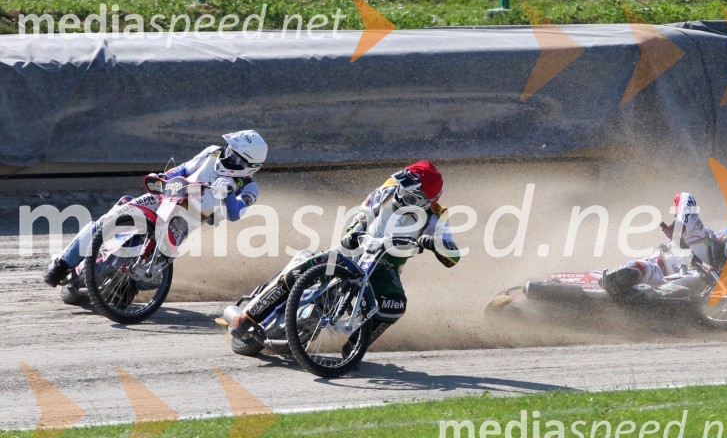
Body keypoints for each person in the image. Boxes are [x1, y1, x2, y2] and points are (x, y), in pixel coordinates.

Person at [229, 160, 461, 348]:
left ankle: (355, 347)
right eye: (402, 187)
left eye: (410, 195)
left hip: (385, 265)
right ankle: (248, 317)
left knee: (395, 304)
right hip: (355, 247)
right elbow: (364, 210)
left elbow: (453, 256)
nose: (401, 194)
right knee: (302, 267)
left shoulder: (437, 216)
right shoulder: (389, 188)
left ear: (426, 201)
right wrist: (354, 231)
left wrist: (436, 243)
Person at [42, 130, 268, 287]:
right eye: (230, 150)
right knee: (107, 222)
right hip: (163, 198)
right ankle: (62, 263)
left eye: (236, 157)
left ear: (249, 166)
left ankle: (124, 289)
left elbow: (236, 214)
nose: (228, 156)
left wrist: (228, 193)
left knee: (151, 276)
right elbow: (184, 169)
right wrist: (164, 176)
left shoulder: (250, 188)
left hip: (184, 222)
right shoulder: (213, 152)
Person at [600, 192, 727, 295]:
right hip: (658, 268)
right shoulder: (702, 234)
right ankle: (611, 280)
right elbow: (685, 197)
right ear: (725, 241)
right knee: (641, 269)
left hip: (672, 288)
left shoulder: (718, 275)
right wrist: (679, 226)